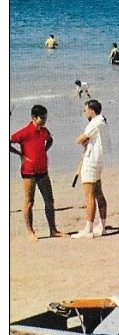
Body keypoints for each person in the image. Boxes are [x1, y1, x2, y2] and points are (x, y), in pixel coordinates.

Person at [10, 104, 64, 239]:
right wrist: (20, 154)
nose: (44, 120)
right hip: (29, 172)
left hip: (43, 171)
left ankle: (53, 230)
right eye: (42, 118)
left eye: (46, 117)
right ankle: (31, 232)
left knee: (49, 200)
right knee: (29, 201)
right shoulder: (24, 132)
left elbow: (50, 140)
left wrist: (45, 150)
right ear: (34, 117)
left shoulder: (44, 131)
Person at [69, 99, 111, 238]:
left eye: (85, 110)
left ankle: (88, 229)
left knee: (89, 196)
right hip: (98, 161)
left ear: (92, 111)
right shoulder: (102, 121)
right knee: (98, 193)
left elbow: (80, 139)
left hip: (91, 161)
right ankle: (102, 226)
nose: (84, 112)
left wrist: (84, 141)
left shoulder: (94, 123)